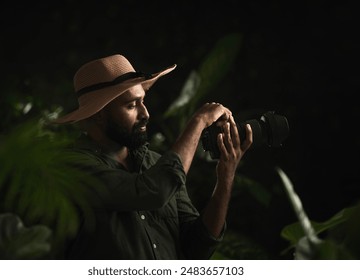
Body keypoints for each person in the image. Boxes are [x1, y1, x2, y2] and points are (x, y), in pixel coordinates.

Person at [53, 54, 252, 259]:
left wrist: (226, 175)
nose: (145, 114)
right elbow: (150, 192)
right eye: (131, 105)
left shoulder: (156, 163)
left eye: (143, 101)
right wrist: (199, 121)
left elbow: (197, 248)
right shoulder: (73, 167)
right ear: (98, 114)